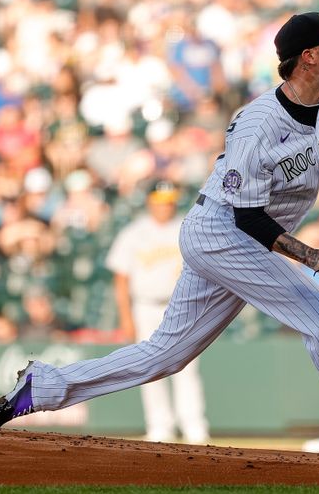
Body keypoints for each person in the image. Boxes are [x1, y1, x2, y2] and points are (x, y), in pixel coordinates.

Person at [0, 11, 319, 468]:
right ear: (308, 57)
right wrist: (314, 257)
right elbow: (248, 217)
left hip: (231, 237)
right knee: (317, 310)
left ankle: (42, 387)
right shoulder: (259, 124)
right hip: (222, 231)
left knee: (165, 355)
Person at [105, 181, 210, 444]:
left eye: (169, 200)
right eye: (161, 200)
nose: (166, 205)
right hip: (145, 305)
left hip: (181, 304)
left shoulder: (186, 227)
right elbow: (121, 278)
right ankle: (159, 425)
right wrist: (126, 317)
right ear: (150, 201)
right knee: (149, 367)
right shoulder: (134, 232)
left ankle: (194, 425)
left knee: (187, 366)